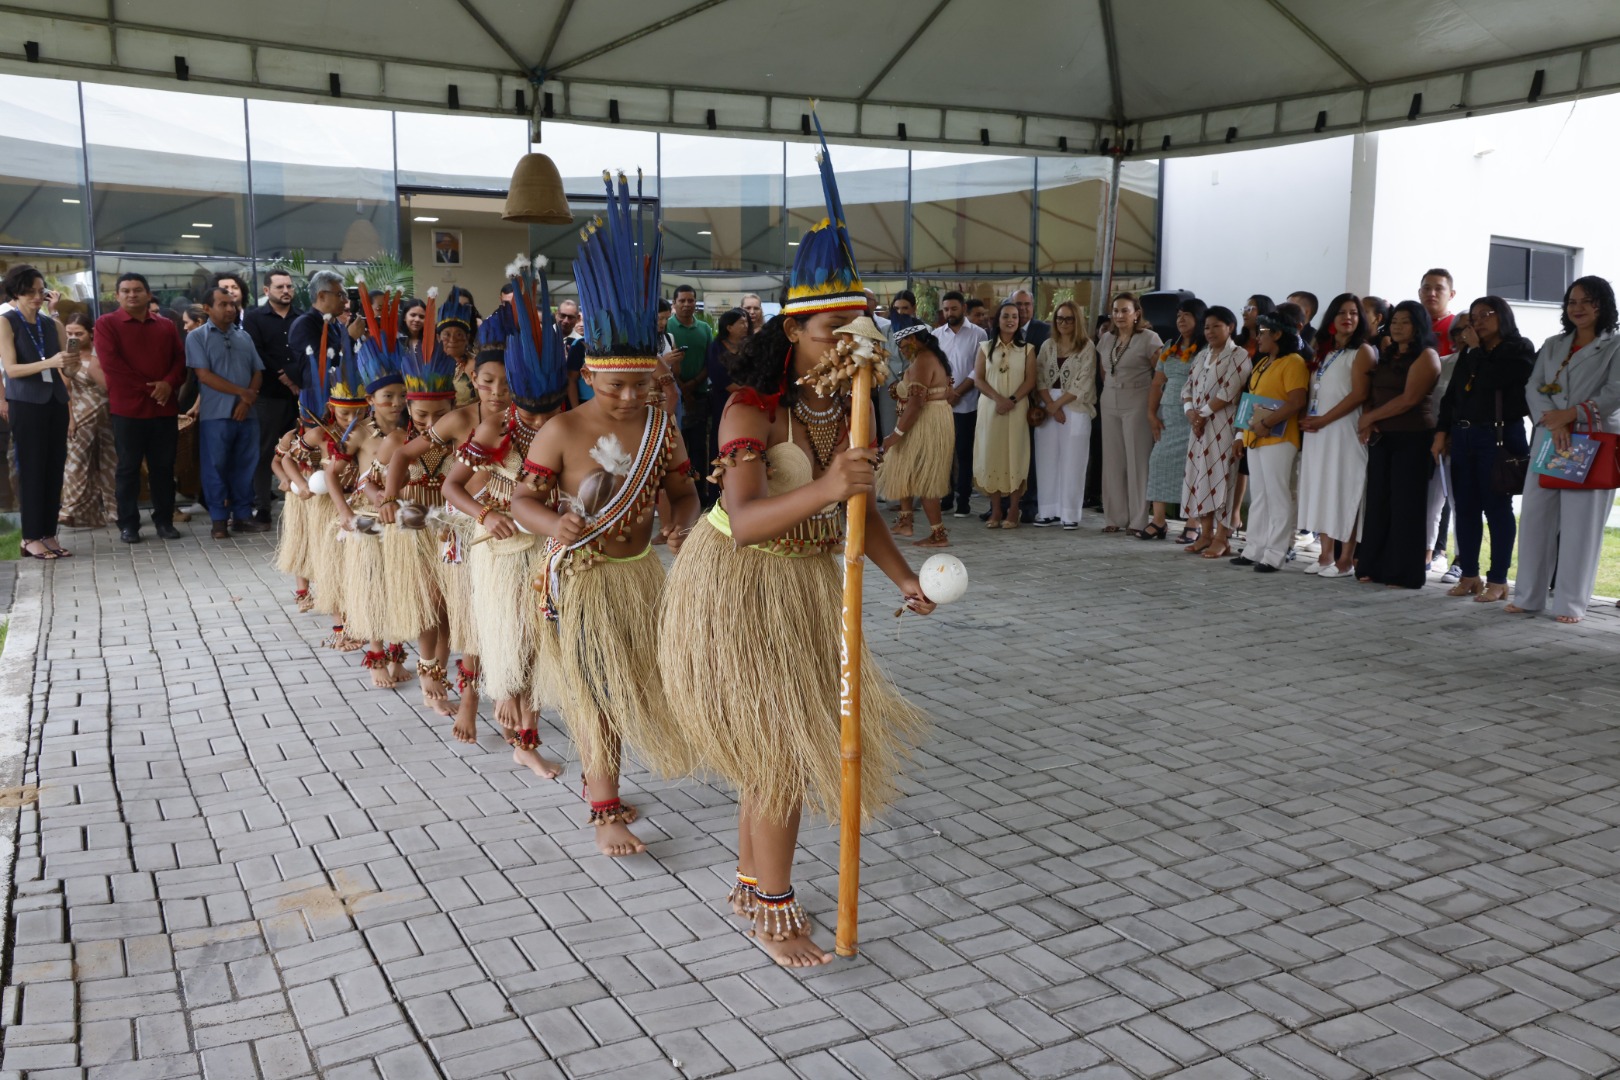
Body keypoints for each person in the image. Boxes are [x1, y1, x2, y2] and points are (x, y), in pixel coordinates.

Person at [658, 135, 932, 966]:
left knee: (772, 748)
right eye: (828, 328)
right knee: (779, 748)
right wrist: (830, 485)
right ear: (793, 330)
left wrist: (902, 574)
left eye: (857, 325)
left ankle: (752, 882)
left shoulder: (857, 408)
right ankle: (775, 908)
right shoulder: (751, 410)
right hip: (743, 583)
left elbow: (861, 512)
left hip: (810, 582)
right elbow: (742, 521)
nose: (847, 340)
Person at [513, 214, 700, 860]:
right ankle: (604, 808)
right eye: (615, 384)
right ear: (590, 372)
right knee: (598, 691)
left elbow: (682, 490)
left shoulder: (662, 428)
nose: (628, 396)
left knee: (632, 687)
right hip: (583, 581)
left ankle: (607, 783)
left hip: (641, 575)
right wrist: (552, 523)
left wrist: (682, 521)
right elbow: (520, 501)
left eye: (641, 384)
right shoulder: (560, 431)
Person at [1508, 276, 1620, 623]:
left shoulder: (1615, 345)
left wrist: (1571, 415)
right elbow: (1533, 386)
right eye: (1572, 302)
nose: (1578, 308)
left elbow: (1615, 391)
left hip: (1591, 438)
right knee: (1536, 519)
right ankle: (1528, 596)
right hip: (1550, 439)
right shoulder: (1554, 343)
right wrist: (1553, 421)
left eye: (1588, 301)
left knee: (1580, 525)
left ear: (1603, 305)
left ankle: (1570, 603)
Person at [1435, 297, 1534, 603]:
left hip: (1498, 436)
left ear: (1503, 316)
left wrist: (1477, 350)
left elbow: (1497, 381)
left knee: (1496, 508)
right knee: (1464, 507)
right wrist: (1441, 432)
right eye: (1473, 317)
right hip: (1463, 436)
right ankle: (1469, 576)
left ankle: (1498, 579)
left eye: (1485, 315)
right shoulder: (1469, 354)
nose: (1477, 321)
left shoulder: (1519, 349)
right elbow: (1452, 397)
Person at [94, 272, 186, 544]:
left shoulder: (166, 325)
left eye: (137, 290)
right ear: (117, 296)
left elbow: (180, 361)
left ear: (148, 294)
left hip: (164, 410)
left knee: (163, 469)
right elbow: (112, 366)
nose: (131, 294)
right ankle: (129, 524)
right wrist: (154, 388)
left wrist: (168, 383)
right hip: (128, 411)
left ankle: (165, 521)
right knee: (128, 469)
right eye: (125, 290)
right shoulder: (106, 324)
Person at [1355, 300, 1441, 589]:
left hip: (1413, 437)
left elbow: (1409, 399)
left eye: (1405, 321)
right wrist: (1371, 417)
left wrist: (1369, 418)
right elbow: (1372, 390)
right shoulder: (1387, 354)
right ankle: (1373, 565)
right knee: (1379, 501)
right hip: (1383, 436)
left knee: (1407, 505)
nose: (1398, 326)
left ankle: (1404, 572)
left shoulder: (1427, 356)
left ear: (1418, 325)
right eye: (1395, 322)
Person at [1297, 294, 1375, 578]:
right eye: (1342, 312)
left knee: (1344, 490)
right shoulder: (1324, 351)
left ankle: (1346, 559)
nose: (1348, 317)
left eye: (1354, 313)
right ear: (1331, 319)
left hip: (1343, 429)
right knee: (1321, 488)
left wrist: (1324, 420)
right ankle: (1325, 555)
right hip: (1318, 431)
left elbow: (1360, 394)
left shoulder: (1363, 351)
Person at [0, 265, 72, 559]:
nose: (36, 296)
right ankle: (30, 537)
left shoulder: (51, 324)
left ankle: (48, 534)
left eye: (40, 290)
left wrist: (71, 361)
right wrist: (49, 363)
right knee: (31, 470)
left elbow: (67, 365)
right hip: (26, 403)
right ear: (15, 293)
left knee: (54, 470)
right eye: (30, 291)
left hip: (55, 400)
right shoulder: (6, 322)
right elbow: (12, 369)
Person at [186, 286, 267, 539]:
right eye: (223, 304)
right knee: (216, 467)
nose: (230, 308)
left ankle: (242, 516)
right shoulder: (197, 337)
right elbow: (204, 375)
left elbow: (257, 372)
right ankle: (219, 520)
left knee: (245, 466)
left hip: (247, 414)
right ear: (207, 308)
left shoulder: (244, 336)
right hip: (216, 416)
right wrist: (241, 393)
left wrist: (246, 401)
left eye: (232, 304)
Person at [1231, 310, 1309, 573]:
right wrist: (1241, 434)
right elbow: (1250, 398)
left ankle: (1275, 553)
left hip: (1279, 437)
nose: (1258, 337)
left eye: (1263, 332)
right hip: (1256, 436)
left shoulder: (1294, 362)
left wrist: (1267, 423)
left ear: (1278, 334)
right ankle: (1254, 548)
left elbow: (1296, 402)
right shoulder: (1263, 362)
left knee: (1278, 494)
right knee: (1261, 495)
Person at [879, 317, 956, 546]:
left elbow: (916, 402)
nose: (901, 351)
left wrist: (896, 434)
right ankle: (905, 522)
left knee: (925, 475)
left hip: (926, 421)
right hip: (928, 419)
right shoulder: (928, 357)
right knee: (905, 467)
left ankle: (938, 534)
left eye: (902, 345)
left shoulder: (923, 359)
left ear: (913, 339)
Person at [1181, 306, 1250, 559]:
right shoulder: (1201, 355)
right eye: (1207, 327)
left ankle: (1222, 537)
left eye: (1216, 326)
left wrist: (1203, 414)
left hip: (1223, 425)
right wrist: (1191, 412)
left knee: (1223, 477)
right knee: (1200, 477)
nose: (1210, 331)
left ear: (1230, 327)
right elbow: (1187, 386)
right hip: (1199, 428)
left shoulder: (1238, 355)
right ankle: (1205, 534)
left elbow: (1231, 389)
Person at [1097, 292, 1164, 534]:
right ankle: (1114, 517)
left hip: (1137, 399)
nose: (1119, 315)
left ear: (1136, 314)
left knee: (1138, 460)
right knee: (1113, 460)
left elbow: (1161, 373)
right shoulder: (1106, 339)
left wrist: (1153, 407)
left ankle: (1138, 520)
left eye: (1125, 310)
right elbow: (1104, 371)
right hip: (1109, 399)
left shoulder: (1149, 338)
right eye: (1115, 310)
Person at [242, 269, 301, 525]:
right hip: (269, 394)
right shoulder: (254, 319)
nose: (286, 291)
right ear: (267, 291)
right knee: (265, 451)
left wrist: (297, 379)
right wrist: (285, 376)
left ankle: (298, 503)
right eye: (280, 287)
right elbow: (256, 351)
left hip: (301, 396)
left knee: (299, 450)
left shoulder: (303, 318)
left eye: (289, 286)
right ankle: (262, 506)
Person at [1143, 297, 1205, 541]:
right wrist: (1151, 414)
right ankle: (1158, 521)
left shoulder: (1206, 349)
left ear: (1199, 318)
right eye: (1178, 314)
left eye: (1187, 314)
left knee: (1192, 468)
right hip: (1168, 415)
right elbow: (1157, 382)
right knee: (1158, 462)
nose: (1181, 319)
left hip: (1194, 416)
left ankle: (1193, 522)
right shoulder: (1170, 346)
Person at [1031, 299, 1096, 530]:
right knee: (1046, 458)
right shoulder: (1048, 345)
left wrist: (1058, 405)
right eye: (1059, 318)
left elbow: (1083, 382)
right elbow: (1038, 376)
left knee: (1073, 461)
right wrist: (1051, 404)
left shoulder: (1086, 346)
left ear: (1076, 320)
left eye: (1068, 318)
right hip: (1048, 405)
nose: (1063, 323)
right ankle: (1047, 511)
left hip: (1075, 407)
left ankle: (1070, 514)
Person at [973, 301, 1035, 528]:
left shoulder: (1028, 349)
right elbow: (978, 379)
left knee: (1015, 454)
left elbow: (1030, 380)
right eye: (1006, 316)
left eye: (1015, 317)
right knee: (993, 454)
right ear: (997, 320)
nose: (1011, 320)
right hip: (990, 408)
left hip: (1017, 409)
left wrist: (1012, 401)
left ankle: (1014, 509)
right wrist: (999, 399)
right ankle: (996, 509)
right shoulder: (984, 347)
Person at [57, 314, 116, 530]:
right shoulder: (67, 357)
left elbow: (112, 383)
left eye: (78, 333)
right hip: (82, 413)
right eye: (70, 333)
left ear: (90, 332)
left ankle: (113, 510)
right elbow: (66, 391)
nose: (74, 337)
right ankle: (70, 510)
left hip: (108, 412)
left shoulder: (101, 352)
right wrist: (70, 419)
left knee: (111, 463)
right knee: (77, 462)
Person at [936, 290, 987, 518]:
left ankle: (963, 500)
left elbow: (979, 369)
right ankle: (945, 498)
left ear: (963, 309)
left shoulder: (979, 334)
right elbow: (935, 367)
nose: (949, 313)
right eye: (946, 309)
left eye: (953, 309)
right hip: (942, 403)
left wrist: (958, 392)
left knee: (964, 453)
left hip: (967, 403)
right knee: (944, 453)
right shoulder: (936, 335)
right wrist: (946, 392)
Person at [667, 283, 715, 496]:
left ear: (696, 303)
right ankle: (677, 493)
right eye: (682, 301)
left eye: (690, 300)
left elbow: (710, 361)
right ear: (674, 303)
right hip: (671, 395)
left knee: (698, 447)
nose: (687, 305)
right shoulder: (666, 328)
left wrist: (693, 384)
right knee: (674, 447)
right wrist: (682, 389)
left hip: (700, 394)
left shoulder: (704, 328)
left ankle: (698, 493)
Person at [706, 307, 748, 472]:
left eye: (746, 322)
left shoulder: (749, 345)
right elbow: (718, 375)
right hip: (723, 401)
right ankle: (717, 488)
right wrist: (741, 391)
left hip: (748, 402)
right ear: (729, 327)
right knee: (721, 439)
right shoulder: (716, 347)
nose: (745, 325)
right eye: (741, 323)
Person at [1235, 295, 1275, 359]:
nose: (1244, 313)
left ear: (1263, 311)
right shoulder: (1236, 341)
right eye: (1244, 309)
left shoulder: (1270, 344)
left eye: (1249, 309)